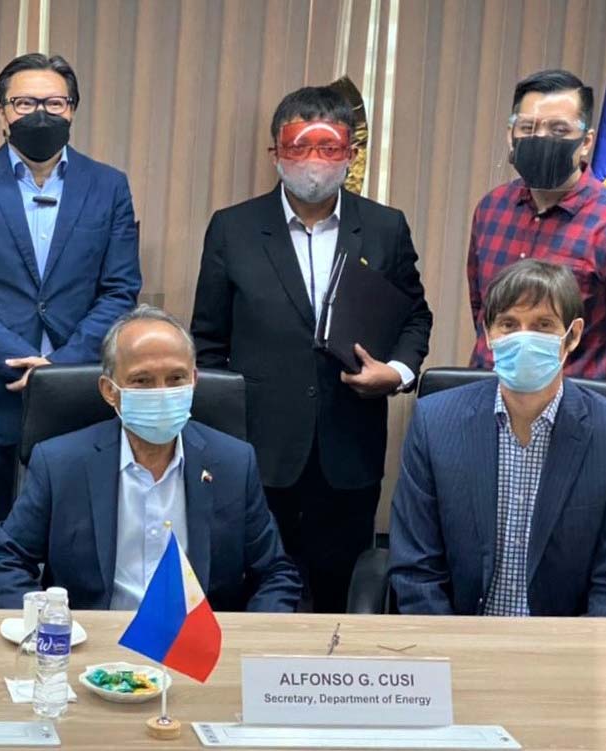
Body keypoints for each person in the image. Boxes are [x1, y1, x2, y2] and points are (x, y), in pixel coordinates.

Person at [191, 85, 432, 613]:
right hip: (257, 448)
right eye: (299, 146)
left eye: (329, 147)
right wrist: (220, 439)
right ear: (276, 153)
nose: (314, 161)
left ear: (350, 154)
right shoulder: (232, 228)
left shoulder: (386, 228)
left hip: (349, 445)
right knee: (254, 586)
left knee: (336, 593)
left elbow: (415, 317)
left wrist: (396, 372)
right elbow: (207, 342)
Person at [0, 53, 141, 607]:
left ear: (72, 111)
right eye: (25, 102)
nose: (39, 113)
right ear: (2, 113)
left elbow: (120, 290)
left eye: (53, 102)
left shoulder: (108, 186)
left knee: (75, 535)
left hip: (79, 391)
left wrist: (60, 369)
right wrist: (23, 359)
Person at [0, 306, 299, 611]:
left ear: (194, 381)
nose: (161, 392)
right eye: (142, 381)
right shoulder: (61, 463)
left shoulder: (233, 463)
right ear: (109, 390)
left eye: (176, 379)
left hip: (196, 651)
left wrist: (246, 644)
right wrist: (48, 631)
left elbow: (275, 574)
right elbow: (4, 561)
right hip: (93, 648)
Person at [391, 260, 606, 616]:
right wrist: (451, 655)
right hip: (458, 643)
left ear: (573, 335)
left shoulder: (600, 431)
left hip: (564, 650)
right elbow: (416, 571)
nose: (524, 338)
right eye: (509, 324)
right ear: (489, 333)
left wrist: (571, 662)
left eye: (543, 325)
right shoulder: (435, 423)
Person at [468, 69, 606, 379]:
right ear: (510, 134)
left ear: (586, 142)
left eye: (558, 130)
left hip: (578, 411)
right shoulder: (492, 208)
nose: (541, 138)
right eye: (528, 127)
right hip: (489, 398)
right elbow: (483, 312)